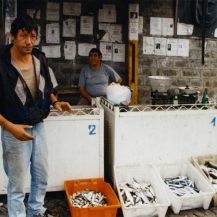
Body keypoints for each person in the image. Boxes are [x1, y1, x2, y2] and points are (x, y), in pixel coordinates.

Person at [0, 15, 72, 217]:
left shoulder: (39, 58)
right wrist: (9, 127)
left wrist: (56, 102)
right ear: (12, 36)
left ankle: (36, 211)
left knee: (41, 175)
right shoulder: (2, 64)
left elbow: (47, 86)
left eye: (33, 36)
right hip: (13, 128)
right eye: (23, 36)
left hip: (38, 123)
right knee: (16, 183)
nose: (29, 41)